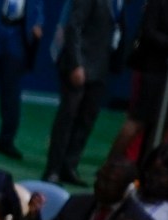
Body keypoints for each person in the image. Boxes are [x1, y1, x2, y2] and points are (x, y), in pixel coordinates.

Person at [43, 0, 113, 184]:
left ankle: (70, 166)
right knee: (67, 118)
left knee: (86, 120)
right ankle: (53, 170)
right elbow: (73, 26)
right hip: (79, 65)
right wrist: (76, 64)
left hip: (101, 66)